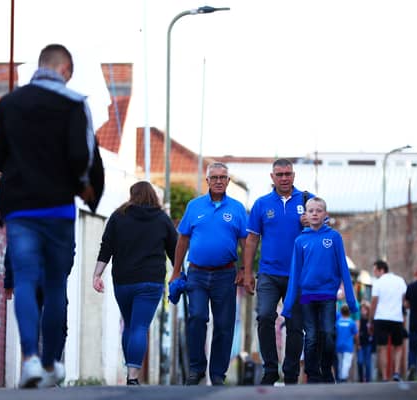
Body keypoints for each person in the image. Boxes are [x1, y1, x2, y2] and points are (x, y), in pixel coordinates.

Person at [0, 44, 101, 388]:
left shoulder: (9, 103)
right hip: (57, 207)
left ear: (40, 67)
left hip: (20, 207)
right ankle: (51, 363)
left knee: (24, 279)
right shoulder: (74, 103)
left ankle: (29, 360)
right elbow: (83, 154)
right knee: (54, 284)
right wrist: (83, 186)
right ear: (64, 68)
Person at [169, 162, 247, 386]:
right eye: (215, 177)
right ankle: (196, 369)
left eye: (223, 177)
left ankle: (218, 374)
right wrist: (175, 272)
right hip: (197, 274)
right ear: (207, 181)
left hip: (226, 275)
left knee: (224, 325)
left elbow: (246, 242)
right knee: (197, 318)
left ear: (228, 181)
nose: (219, 181)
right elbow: (182, 239)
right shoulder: (194, 206)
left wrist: (245, 270)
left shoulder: (237, 208)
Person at [92, 181, 177, 385]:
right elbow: (175, 250)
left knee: (129, 325)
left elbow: (106, 247)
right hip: (150, 282)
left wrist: (97, 274)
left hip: (123, 281)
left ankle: (129, 367)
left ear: (132, 195)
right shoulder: (162, 219)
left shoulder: (118, 216)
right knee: (140, 327)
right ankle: (132, 376)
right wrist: (178, 274)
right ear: (152, 196)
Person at [243, 158, 312, 385]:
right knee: (264, 316)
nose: (284, 178)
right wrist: (247, 272)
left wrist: (311, 223)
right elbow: (252, 239)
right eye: (280, 174)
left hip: (299, 275)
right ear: (272, 177)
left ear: (294, 176)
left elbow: (325, 232)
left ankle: (291, 373)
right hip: (268, 274)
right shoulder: (262, 204)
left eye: (288, 174)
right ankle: (270, 369)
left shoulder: (307, 200)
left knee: (295, 325)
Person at [282, 197, 358, 384]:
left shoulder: (334, 237)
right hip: (307, 296)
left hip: (327, 296)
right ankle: (312, 374)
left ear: (325, 214)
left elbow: (343, 268)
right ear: (305, 215)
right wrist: (288, 305)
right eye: (311, 210)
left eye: (318, 210)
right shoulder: (300, 241)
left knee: (329, 334)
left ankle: (326, 369)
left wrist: (351, 300)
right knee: (312, 337)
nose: (314, 213)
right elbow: (295, 274)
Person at [369, 260, 407, 382]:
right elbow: (404, 300)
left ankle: (385, 376)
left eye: (375, 270)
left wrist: (371, 320)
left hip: (381, 318)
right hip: (397, 317)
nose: (374, 273)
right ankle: (396, 372)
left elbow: (374, 302)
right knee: (398, 346)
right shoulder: (400, 280)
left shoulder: (378, 282)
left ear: (381, 270)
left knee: (382, 347)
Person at [335, 304, 358, 383]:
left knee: (340, 362)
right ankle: (343, 377)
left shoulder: (337, 322)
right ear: (349, 312)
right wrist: (357, 344)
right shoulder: (352, 322)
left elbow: (335, 333)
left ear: (341, 312)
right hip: (348, 346)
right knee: (347, 362)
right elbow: (356, 335)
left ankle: (340, 377)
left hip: (338, 345)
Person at [356, 301, 374, 382]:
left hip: (368, 344)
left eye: (365, 309)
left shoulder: (370, 321)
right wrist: (357, 343)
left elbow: (373, 333)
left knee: (367, 363)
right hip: (360, 344)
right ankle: (361, 379)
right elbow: (356, 333)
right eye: (362, 309)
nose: (363, 311)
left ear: (368, 310)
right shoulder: (358, 320)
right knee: (359, 362)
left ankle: (368, 380)